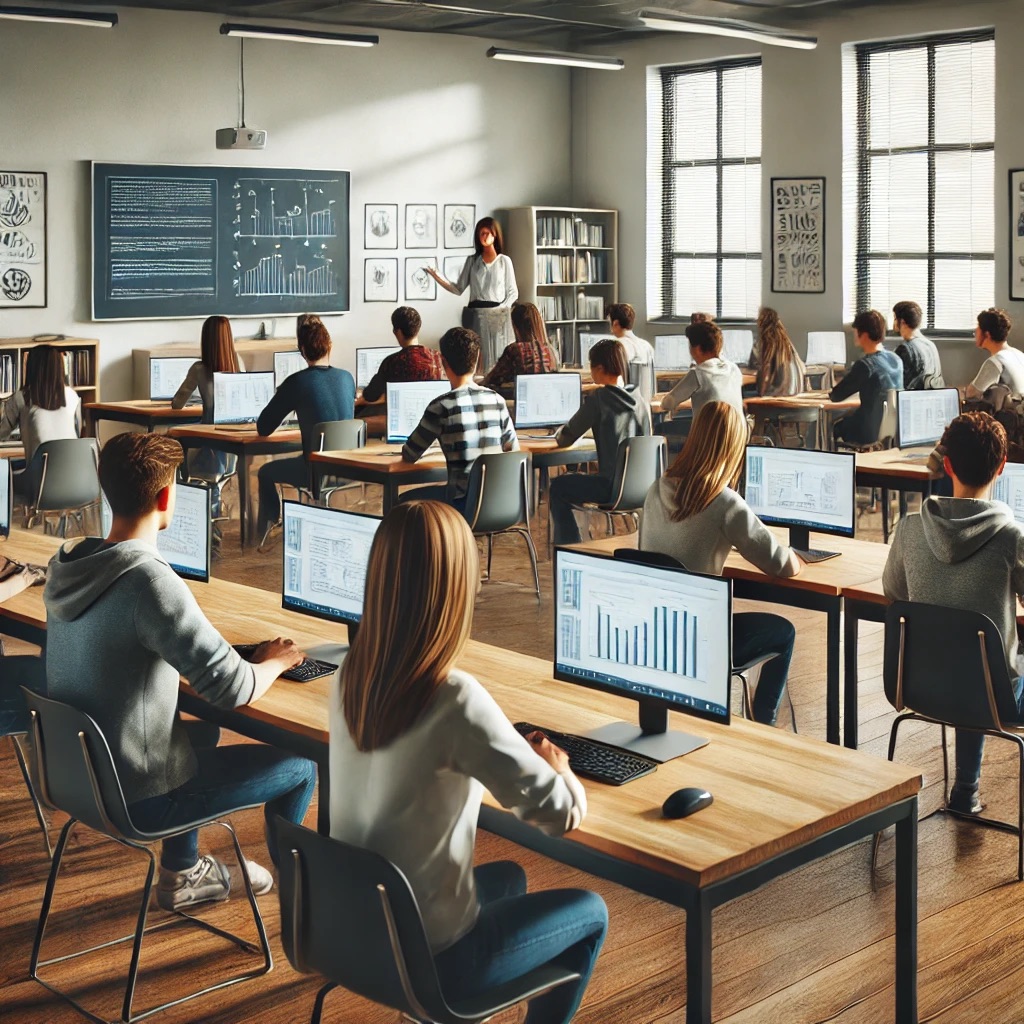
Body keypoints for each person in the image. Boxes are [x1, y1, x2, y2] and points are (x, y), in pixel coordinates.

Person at [330, 500, 607, 1022]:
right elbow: (560, 813)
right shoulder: (453, 696)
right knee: (591, 912)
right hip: (432, 960)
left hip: (359, 930)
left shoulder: (351, 673)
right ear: (456, 587)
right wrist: (558, 763)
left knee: (508, 878)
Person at [43, 432, 316, 908]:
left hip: (78, 778)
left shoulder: (70, 564)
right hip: (139, 796)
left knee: (199, 734)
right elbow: (233, 689)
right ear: (168, 496)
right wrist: (275, 661)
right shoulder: (148, 581)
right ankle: (306, 906)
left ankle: (184, 873)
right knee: (303, 767)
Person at [883, 412, 1024, 814]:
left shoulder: (908, 529)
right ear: (1002, 467)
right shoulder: (1012, 538)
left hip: (917, 686)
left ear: (947, 465)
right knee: (984, 662)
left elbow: (894, 595)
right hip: (993, 696)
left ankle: (966, 790)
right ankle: (965, 790)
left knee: (966, 653)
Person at [640, 401, 800, 725]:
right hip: (702, 636)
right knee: (784, 631)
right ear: (732, 448)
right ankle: (764, 726)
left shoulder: (656, 489)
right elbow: (782, 565)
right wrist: (796, 555)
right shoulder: (725, 502)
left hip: (653, 628)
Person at [255, 315, 355, 542]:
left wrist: (283, 398)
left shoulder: (297, 382)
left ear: (302, 350)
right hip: (351, 469)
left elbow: (263, 428)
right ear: (329, 345)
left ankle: (264, 533)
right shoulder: (347, 378)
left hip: (314, 472)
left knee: (265, 472)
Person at [402, 326, 518, 512]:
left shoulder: (441, 406)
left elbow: (409, 455)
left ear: (442, 361)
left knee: (402, 502)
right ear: (477, 357)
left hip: (462, 506)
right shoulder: (497, 400)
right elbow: (512, 451)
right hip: (503, 505)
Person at [548, 338, 651, 546]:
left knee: (558, 487)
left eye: (591, 366)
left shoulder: (600, 399)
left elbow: (565, 438)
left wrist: (557, 429)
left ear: (600, 368)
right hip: (643, 489)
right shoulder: (640, 399)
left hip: (610, 488)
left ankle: (570, 547)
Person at [170, 315, 244, 519]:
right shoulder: (239, 364)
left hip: (208, 447)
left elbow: (176, 404)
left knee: (172, 437)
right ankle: (213, 509)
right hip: (232, 448)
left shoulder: (198, 369)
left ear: (206, 340)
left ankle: (184, 503)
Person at [427, 217, 518, 370]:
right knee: (473, 359)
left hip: (497, 316)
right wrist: (436, 276)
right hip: (474, 315)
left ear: (495, 236)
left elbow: (513, 292)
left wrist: (501, 309)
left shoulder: (504, 261)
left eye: (488, 233)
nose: (485, 236)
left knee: (496, 359)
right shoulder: (472, 261)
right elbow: (458, 288)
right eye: (481, 233)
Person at [0, 344, 81, 502]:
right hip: (76, 478)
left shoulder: (22, 397)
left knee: (5, 472)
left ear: (31, 367)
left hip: (40, 482)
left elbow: (2, 432)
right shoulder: (72, 395)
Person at [830, 310, 903, 447]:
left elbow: (836, 396)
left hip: (866, 430)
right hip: (892, 430)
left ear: (863, 334)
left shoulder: (865, 365)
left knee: (830, 427)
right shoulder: (896, 359)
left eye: (855, 332)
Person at [357, 306, 443, 411]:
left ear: (397, 332)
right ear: (418, 328)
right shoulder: (437, 357)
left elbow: (371, 396)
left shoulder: (392, 362)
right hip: (432, 413)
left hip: (401, 415)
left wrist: (360, 392)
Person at [660, 319, 744, 420]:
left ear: (697, 349)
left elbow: (668, 403)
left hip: (711, 434)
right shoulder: (734, 369)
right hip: (739, 433)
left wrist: (663, 398)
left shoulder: (699, 373)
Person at [481, 301, 559, 391]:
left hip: (522, 400)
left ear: (516, 327)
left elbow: (492, 380)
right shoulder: (551, 351)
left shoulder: (515, 350)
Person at [966, 308, 1024, 400]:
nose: (975, 332)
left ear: (987, 334)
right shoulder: (1020, 355)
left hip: (1010, 413)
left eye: (978, 328)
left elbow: (971, 394)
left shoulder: (996, 362)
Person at [750, 307, 805, 397]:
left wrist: (761, 393)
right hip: (795, 394)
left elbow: (766, 369)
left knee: (744, 397)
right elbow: (803, 368)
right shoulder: (787, 342)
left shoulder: (768, 341)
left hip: (777, 396)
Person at [606, 302, 655, 401]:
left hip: (625, 403)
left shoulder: (616, 346)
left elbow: (614, 382)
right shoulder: (647, 346)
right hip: (645, 404)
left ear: (615, 323)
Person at [892, 300, 944, 390]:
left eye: (895, 318)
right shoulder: (931, 345)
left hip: (913, 401)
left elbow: (897, 385)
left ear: (903, 322)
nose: (894, 323)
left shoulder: (904, 349)